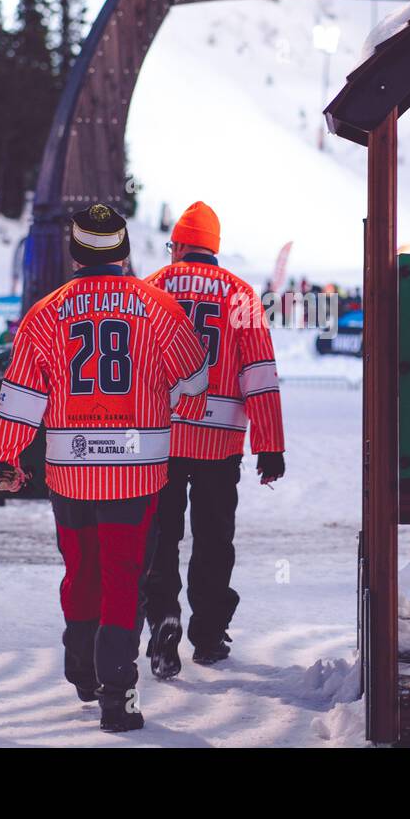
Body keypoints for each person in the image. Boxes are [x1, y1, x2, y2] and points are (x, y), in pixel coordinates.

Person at [0, 204, 208, 733]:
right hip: (136, 472)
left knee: (81, 570)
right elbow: (195, 382)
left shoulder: (44, 313)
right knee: (123, 578)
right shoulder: (159, 309)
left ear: (75, 253)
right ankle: (116, 693)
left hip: (70, 471)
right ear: (125, 252)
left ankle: (81, 663)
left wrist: (3, 459)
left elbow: (19, 399)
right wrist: (174, 403)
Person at [143, 202, 286, 678]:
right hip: (219, 445)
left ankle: (163, 616)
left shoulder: (151, 289)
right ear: (214, 249)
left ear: (180, 245)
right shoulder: (241, 295)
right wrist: (270, 444)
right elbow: (259, 374)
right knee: (213, 538)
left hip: (158, 440)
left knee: (159, 537)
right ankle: (207, 633)